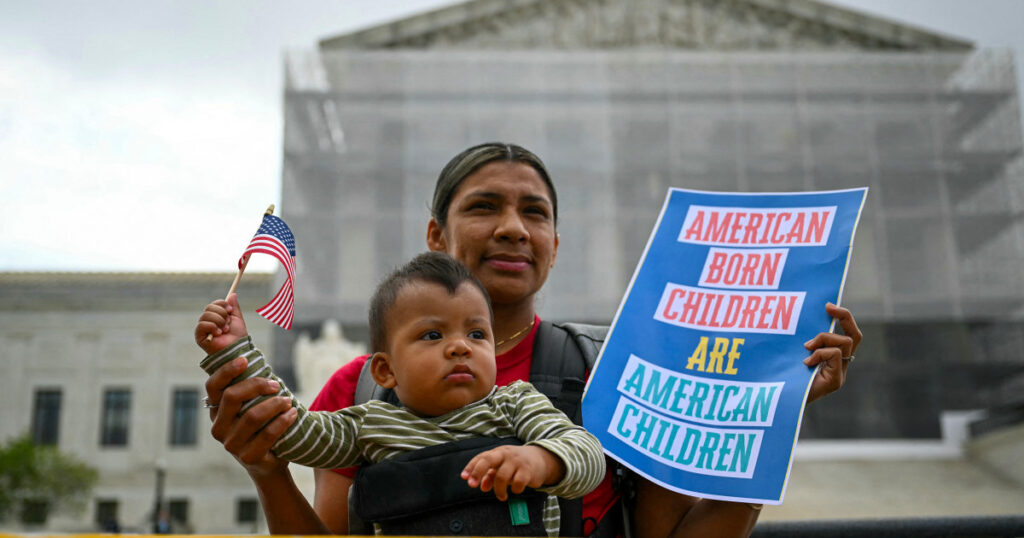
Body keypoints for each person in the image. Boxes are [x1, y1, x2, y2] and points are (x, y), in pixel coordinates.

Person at [201, 142, 862, 538]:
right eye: (484, 206)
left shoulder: (619, 372)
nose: (514, 228)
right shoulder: (358, 391)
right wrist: (266, 468)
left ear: (554, 245)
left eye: (535, 213)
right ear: (436, 236)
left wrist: (775, 414)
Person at [195, 252, 605, 536]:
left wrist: (542, 459)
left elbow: (587, 453)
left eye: (477, 334)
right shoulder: (369, 424)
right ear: (385, 370)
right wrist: (235, 351)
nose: (460, 347)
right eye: (433, 335)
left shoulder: (517, 403)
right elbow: (290, 429)